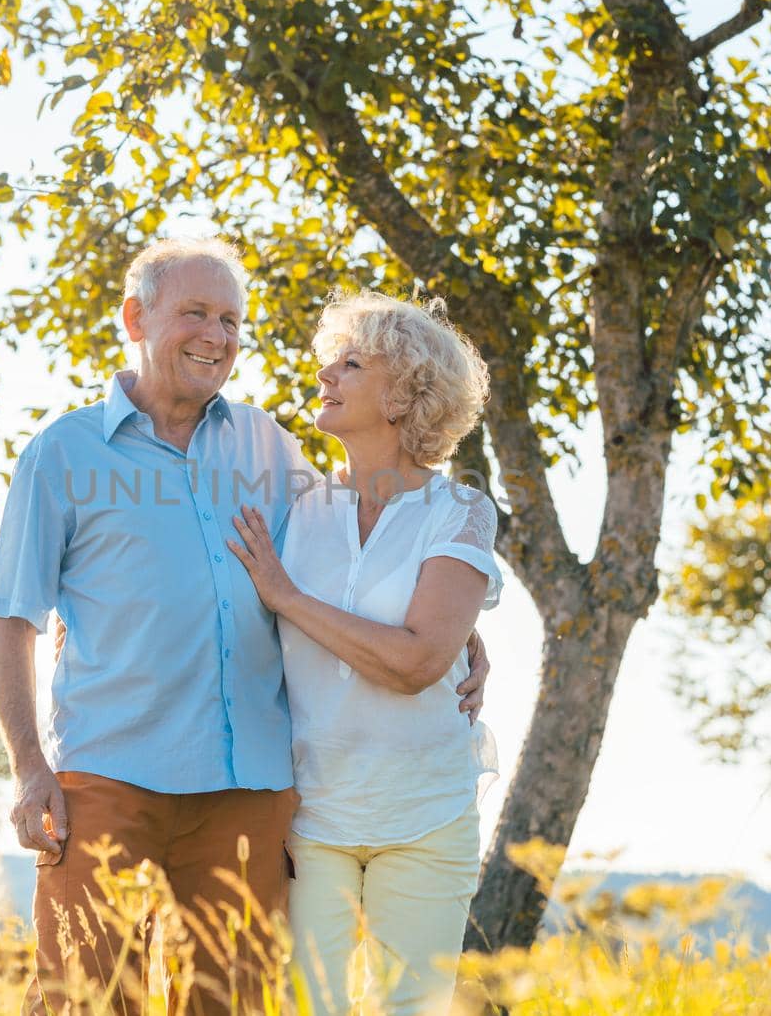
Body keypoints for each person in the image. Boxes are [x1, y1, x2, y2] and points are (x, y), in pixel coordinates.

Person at [0, 238, 488, 1016]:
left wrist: (460, 634)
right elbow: (12, 618)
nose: (216, 335)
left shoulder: (269, 445)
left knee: (233, 1006)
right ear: (134, 317)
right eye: (194, 313)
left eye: (229, 318)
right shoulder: (63, 452)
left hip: (250, 790)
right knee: (83, 999)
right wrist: (27, 766)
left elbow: (368, 548)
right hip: (109, 776)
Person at [226, 291, 501, 1016]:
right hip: (315, 817)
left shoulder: (462, 511)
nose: (325, 375)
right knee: (308, 1006)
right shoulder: (294, 506)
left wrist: (289, 597)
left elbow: (416, 664)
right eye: (330, 361)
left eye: (351, 364)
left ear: (408, 393)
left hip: (425, 813)